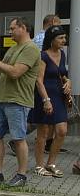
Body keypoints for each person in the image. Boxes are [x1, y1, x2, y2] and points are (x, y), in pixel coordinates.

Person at [0, 18, 41, 187]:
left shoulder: (31, 49)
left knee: (18, 138)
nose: (9, 31)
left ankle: (21, 175)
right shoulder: (13, 48)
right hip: (3, 99)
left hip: (18, 100)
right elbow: (0, 75)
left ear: (24, 27)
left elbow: (15, 73)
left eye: (13, 28)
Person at [29, 26, 69, 177]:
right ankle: (39, 165)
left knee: (62, 131)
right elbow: (39, 81)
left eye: (64, 38)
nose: (63, 41)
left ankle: (51, 163)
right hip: (44, 96)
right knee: (44, 132)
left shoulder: (62, 54)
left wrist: (68, 81)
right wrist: (46, 100)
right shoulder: (43, 56)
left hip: (59, 96)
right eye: (60, 38)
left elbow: (63, 73)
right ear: (51, 40)